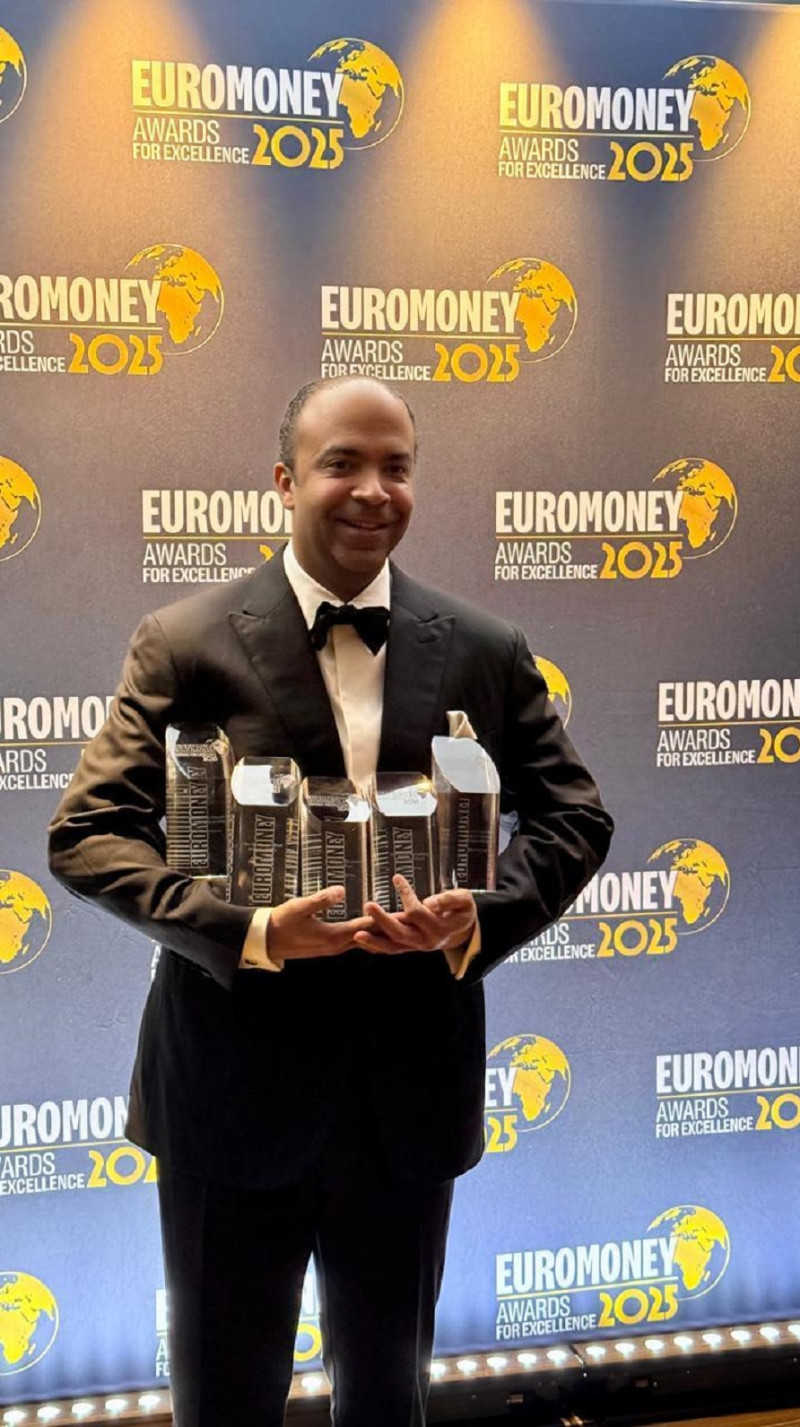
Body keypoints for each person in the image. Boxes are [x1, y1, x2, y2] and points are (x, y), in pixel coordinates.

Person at [47, 376, 613, 1427]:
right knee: (222, 1397)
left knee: (387, 1397)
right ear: (284, 480)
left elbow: (574, 816)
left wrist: (479, 918)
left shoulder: (484, 646)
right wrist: (251, 930)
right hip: (228, 1090)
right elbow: (86, 834)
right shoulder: (184, 638)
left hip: (407, 1092)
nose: (371, 490)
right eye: (341, 463)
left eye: (394, 466)